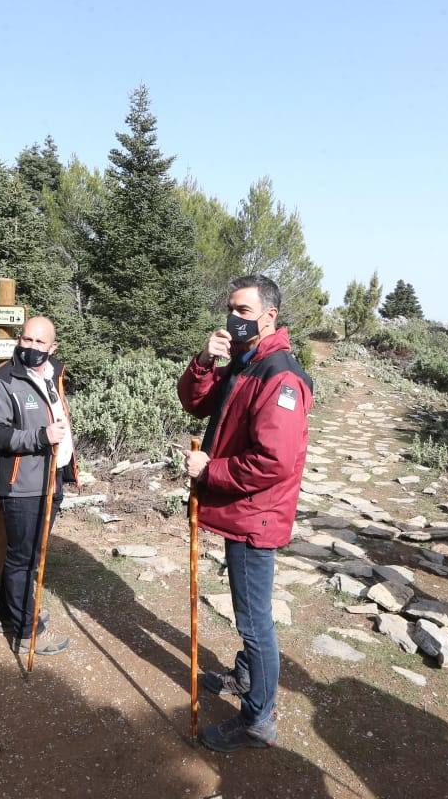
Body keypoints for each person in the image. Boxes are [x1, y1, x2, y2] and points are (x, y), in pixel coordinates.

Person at [177, 274, 313, 753]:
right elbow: (196, 403)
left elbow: (273, 462)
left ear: (269, 316)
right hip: (243, 509)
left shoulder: (281, 376)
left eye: (244, 311)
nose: (234, 318)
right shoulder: (243, 363)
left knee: (254, 621)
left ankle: (259, 718)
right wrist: (204, 361)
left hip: (257, 516)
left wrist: (210, 469)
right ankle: (246, 678)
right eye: (231, 309)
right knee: (251, 616)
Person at [0, 316, 79, 656]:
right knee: (24, 559)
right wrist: (40, 438)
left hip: (50, 477)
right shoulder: (3, 381)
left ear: (52, 348)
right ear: (19, 341)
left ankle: (9, 614)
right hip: (22, 483)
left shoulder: (52, 376)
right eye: (27, 340)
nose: (32, 347)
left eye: (40, 343)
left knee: (29, 555)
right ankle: (26, 633)